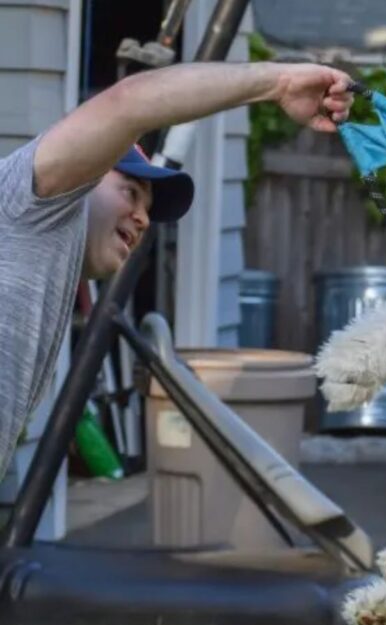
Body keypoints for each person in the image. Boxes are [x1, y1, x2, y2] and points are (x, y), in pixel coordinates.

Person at [0, 60, 355, 472]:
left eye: (147, 208)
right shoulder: (23, 198)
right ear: (85, 174)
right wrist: (281, 82)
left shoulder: (46, 260)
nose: (142, 218)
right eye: (130, 192)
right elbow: (129, 102)